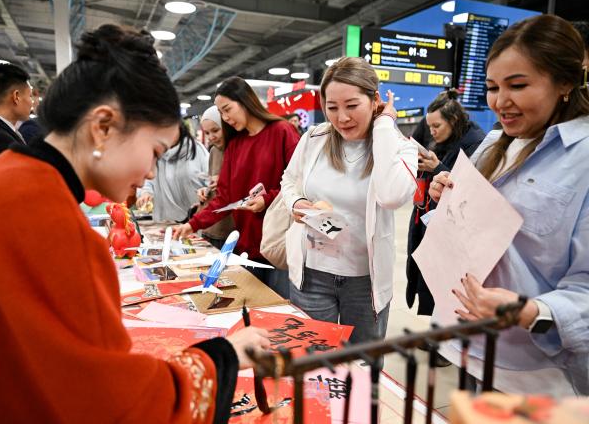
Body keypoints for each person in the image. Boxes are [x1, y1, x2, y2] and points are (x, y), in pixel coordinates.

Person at [0, 25, 269, 422]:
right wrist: (222, 358)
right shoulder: (50, 224)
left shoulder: (2, 185)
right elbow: (112, 405)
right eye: (153, 151)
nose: (151, 173)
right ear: (102, 126)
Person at [429, 14, 589, 396]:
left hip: (541, 376)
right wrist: (445, 198)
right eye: (492, 87)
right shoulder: (495, 144)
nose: (501, 102)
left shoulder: (582, 157)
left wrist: (528, 311)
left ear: (565, 82)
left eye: (518, 85)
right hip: (469, 347)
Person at [281, 57, 418, 344]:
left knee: (363, 367)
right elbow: (289, 180)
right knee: (313, 364)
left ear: (374, 100)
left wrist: (384, 125)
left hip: (365, 281)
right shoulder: (314, 139)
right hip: (312, 274)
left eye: (352, 105)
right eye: (332, 108)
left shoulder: (400, 148)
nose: (342, 117)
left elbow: (392, 196)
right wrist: (296, 203)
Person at [173, 77, 300, 298]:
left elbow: (299, 184)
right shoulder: (235, 145)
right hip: (246, 248)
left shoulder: (282, 132)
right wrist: (192, 225)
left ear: (245, 101)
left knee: (281, 312)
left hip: (280, 245)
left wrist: (267, 199)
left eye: (227, 109)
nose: (225, 118)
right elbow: (224, 198)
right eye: (221, 112)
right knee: (251, 309)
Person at [406, 89, 485, 316]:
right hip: (428, 220)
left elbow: (475, 190)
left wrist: (438, 169)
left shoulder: (476, 144)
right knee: (425, 280)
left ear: (453, 120)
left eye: (437, 126)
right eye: (429, 126)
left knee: (445, 288)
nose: (432, 131)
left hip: (454, 232)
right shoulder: (443, 139)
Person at [136, 122, 209, 222]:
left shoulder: (197, 151)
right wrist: (145, 193)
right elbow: (147, 180)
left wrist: (206, 191)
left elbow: (211, 182)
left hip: (196, 220)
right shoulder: (155, 153)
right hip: (166, 223)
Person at [195, 105, 235, 249]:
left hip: (230, 229)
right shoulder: (214, 151)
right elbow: (214, 184)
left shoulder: (238, 149)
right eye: (207, 132)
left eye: (215, 130)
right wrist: (205, 190)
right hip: (210, 226)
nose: (211, 137)